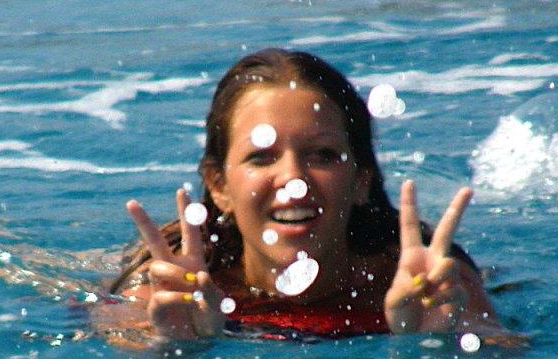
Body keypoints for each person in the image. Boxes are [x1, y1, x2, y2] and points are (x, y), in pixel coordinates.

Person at [108, 48, 502, 343]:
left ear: (361, 181)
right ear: (219, 186)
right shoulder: (170, 293)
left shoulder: (431, 286)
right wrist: (180, 347)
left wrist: (429, 343)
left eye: (323, 155)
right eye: (262, 158)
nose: (294, 180)